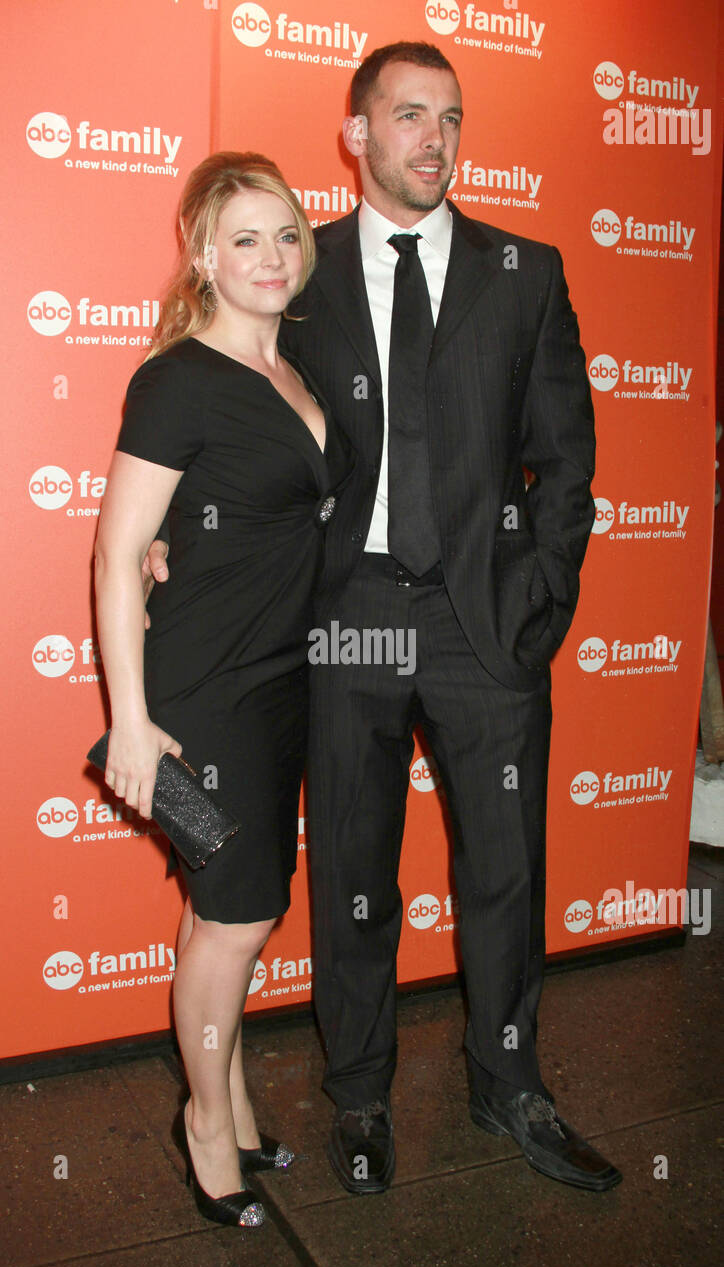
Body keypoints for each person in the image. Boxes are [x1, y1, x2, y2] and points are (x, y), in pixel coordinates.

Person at [146, 43, 622, 1196]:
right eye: (407, 117)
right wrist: (179, 536)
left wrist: (535, 609)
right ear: (356, 133)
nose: (433, 141)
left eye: (450, 118)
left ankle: (510, 1083)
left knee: (503, 867)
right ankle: (357, 1092)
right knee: (353, 863)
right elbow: (228, 407)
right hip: (346, 616)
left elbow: (566, 463)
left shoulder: (527, 270)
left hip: (481, 625)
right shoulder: (297, 271)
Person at [94, 151, 352, 1227]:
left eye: (287, 233)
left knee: (228, 913)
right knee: (235, 922)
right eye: (244, 237)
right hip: (205, 690)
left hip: (289, 679)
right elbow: (117, 555)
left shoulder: (298, 370)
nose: (272, 256)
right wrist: (133, 726)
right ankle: (204, 1125)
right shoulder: (176, 379)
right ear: (204, 253)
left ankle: (234, 1097)